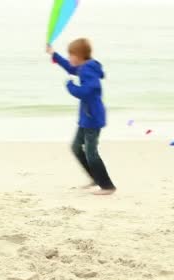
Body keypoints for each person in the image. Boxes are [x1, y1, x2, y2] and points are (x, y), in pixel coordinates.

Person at [47, 38, 117, 195]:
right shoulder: (84, 67)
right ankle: (95, 178)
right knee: (76, 147)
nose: (70, 58)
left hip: (92, 118)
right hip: (86, 118)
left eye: (71, 55)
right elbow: (70, 67)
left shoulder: (88, 70)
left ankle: (107, 186)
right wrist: (54, 54)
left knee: (91, 154)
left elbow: (88, 90)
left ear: (79, 56)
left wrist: (70, 86)